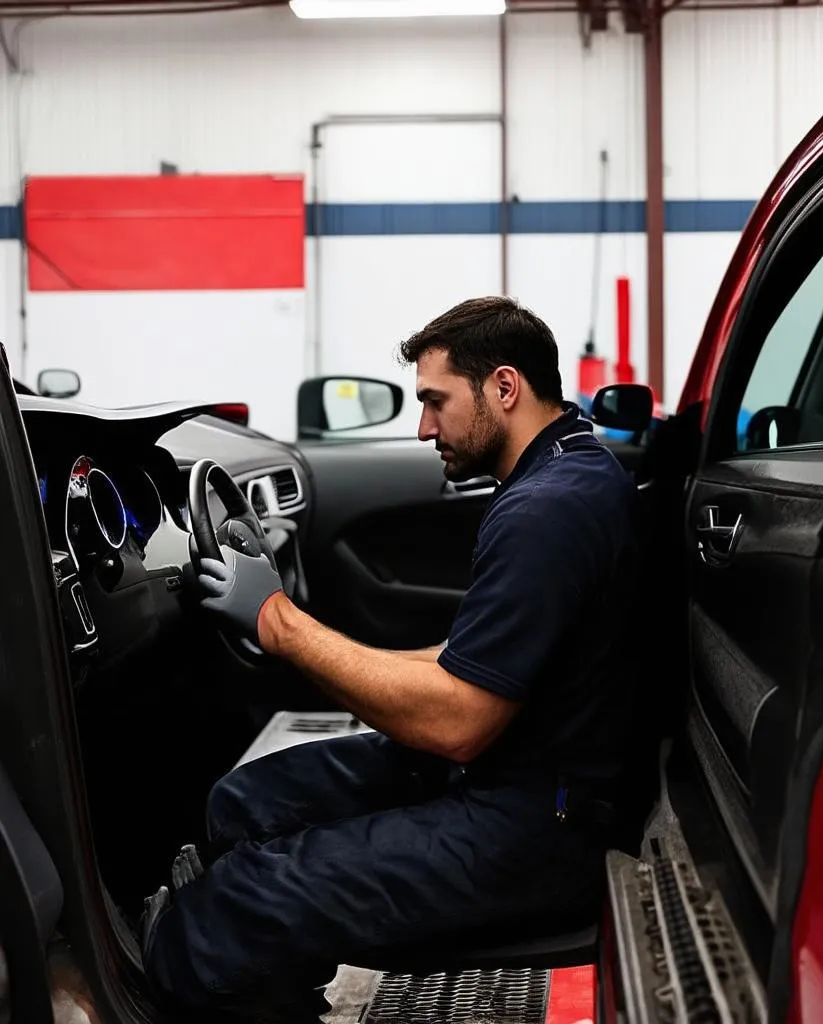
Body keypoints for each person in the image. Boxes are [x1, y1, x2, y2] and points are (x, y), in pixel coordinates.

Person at [142, 296, 643, 1021]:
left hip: (543, 825)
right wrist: (299, 633)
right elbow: (467, 662)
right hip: (526, 776)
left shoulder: (548, 510)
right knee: (244, 803)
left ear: (504, 388)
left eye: (436, 402)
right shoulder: (564, 474)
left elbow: (457, 724)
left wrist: (281, 625)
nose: (423, 427)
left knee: (231, 905)